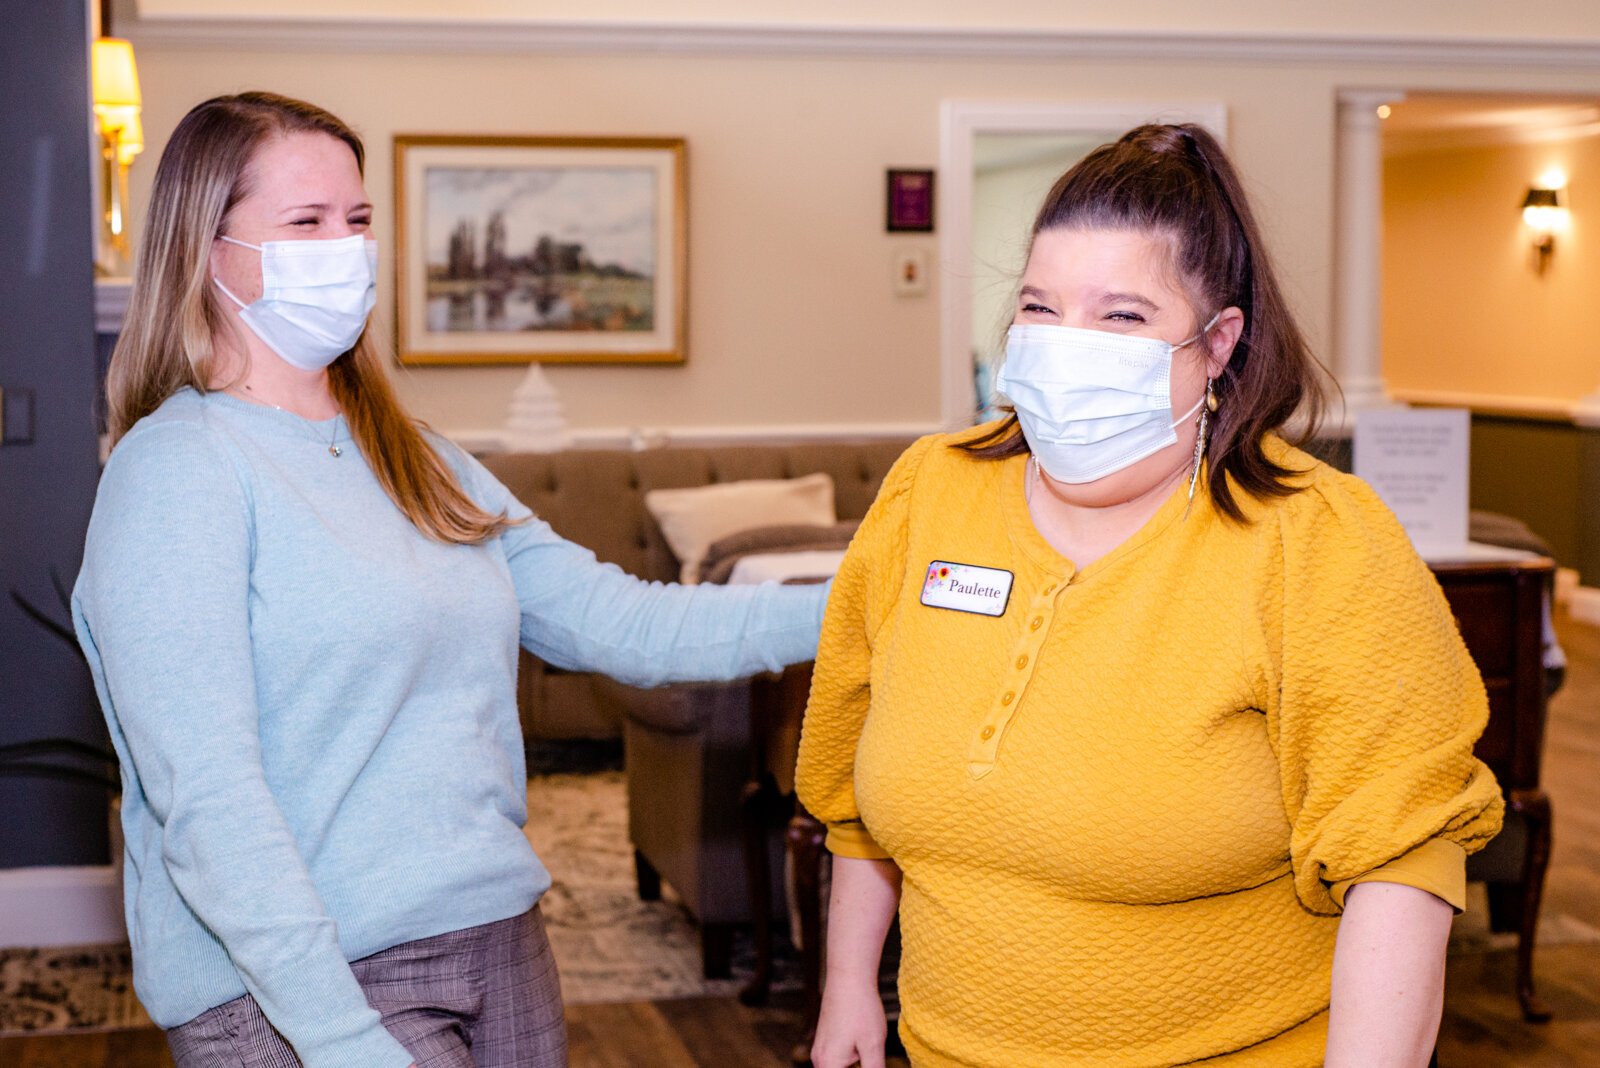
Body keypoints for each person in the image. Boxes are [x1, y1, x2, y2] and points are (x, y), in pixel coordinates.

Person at [72, 91, 828, 1068]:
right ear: (207, 251)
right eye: (305, 223)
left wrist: (861, 604)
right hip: (304, 983)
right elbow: (209, 800)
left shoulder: (418, 457)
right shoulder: (177, 473)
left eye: (358, 220)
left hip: (496, 940)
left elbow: (621, 621)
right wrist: (339, 1036)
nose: (344, 247)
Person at [796, 123, 1503, 1068]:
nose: (1065, 346)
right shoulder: (933, 490)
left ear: (1217, 344)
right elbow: (848, 775)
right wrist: (849, 984)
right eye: (1040, 308)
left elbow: (1400, 862)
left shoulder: (1316, 540)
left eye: (1122, 316)